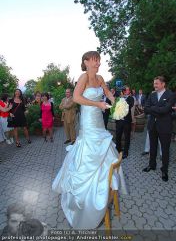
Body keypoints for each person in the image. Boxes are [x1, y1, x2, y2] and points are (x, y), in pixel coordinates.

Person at [52, 51, 127, 229]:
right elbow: (77, 98)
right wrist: (97, 104)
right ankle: (86, 203)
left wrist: (117, 102)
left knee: (104, 151)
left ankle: (102, 192)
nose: (98, 63)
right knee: (89, 155)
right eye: (94, 60)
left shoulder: (100, 78)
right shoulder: (83, 77)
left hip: (99, 121)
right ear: (86, 62)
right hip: (88, 121)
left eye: (99, 60)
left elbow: (108, 94)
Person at [143, 76, 176, 182]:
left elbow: (166, 109)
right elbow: (146, 109)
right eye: (154, 83)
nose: (155, 86)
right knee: (153, 147)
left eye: (156, 83)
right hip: (152, 125)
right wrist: (158, 109)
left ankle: (164, 170)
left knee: (165, 149)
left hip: (165, 126)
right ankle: (152, 165)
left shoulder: (170, 95)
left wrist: (153, 108)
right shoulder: (152, 95)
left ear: (163, 84)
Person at [116, 86, 134, 159]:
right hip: (119, 121)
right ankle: (118, 150)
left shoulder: (131, 98)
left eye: (128, 90)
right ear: (123, 91)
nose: (128, 91)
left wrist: (122, 99)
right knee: (118, 136)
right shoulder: (118, 98)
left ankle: (126, 152)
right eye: (127, 90)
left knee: (127, 137)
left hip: (127, 121)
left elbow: (129, 106)